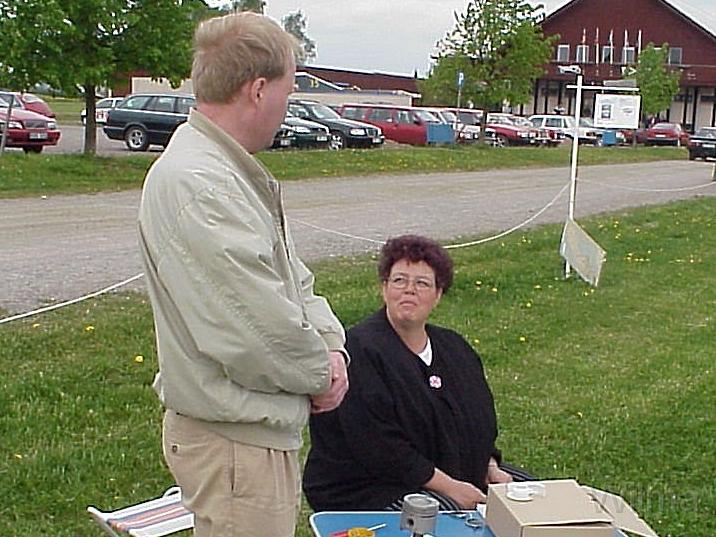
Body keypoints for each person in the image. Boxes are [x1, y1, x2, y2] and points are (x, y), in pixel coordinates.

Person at [137, 12, 348, 537]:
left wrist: (333, 345)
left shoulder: (226, 171)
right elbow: (253, 333)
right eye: (287, 90)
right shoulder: (202, 184)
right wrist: (321, 375)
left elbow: (291, 280)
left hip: (250, 436)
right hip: (235, 444)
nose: (286, 105)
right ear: (257, 90)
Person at [303, 234, 512, 512]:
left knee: (532, 501)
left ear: (438, 294)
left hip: (452, 476)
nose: (409, 290)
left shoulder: (455, 349)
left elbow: (478, 420)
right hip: (370, 487)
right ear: (384, 289)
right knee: (446, 516)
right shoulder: (359, 350)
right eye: (399, 280)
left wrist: (489, 466)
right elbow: (379, 448)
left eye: (422, 283)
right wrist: (450, 488)